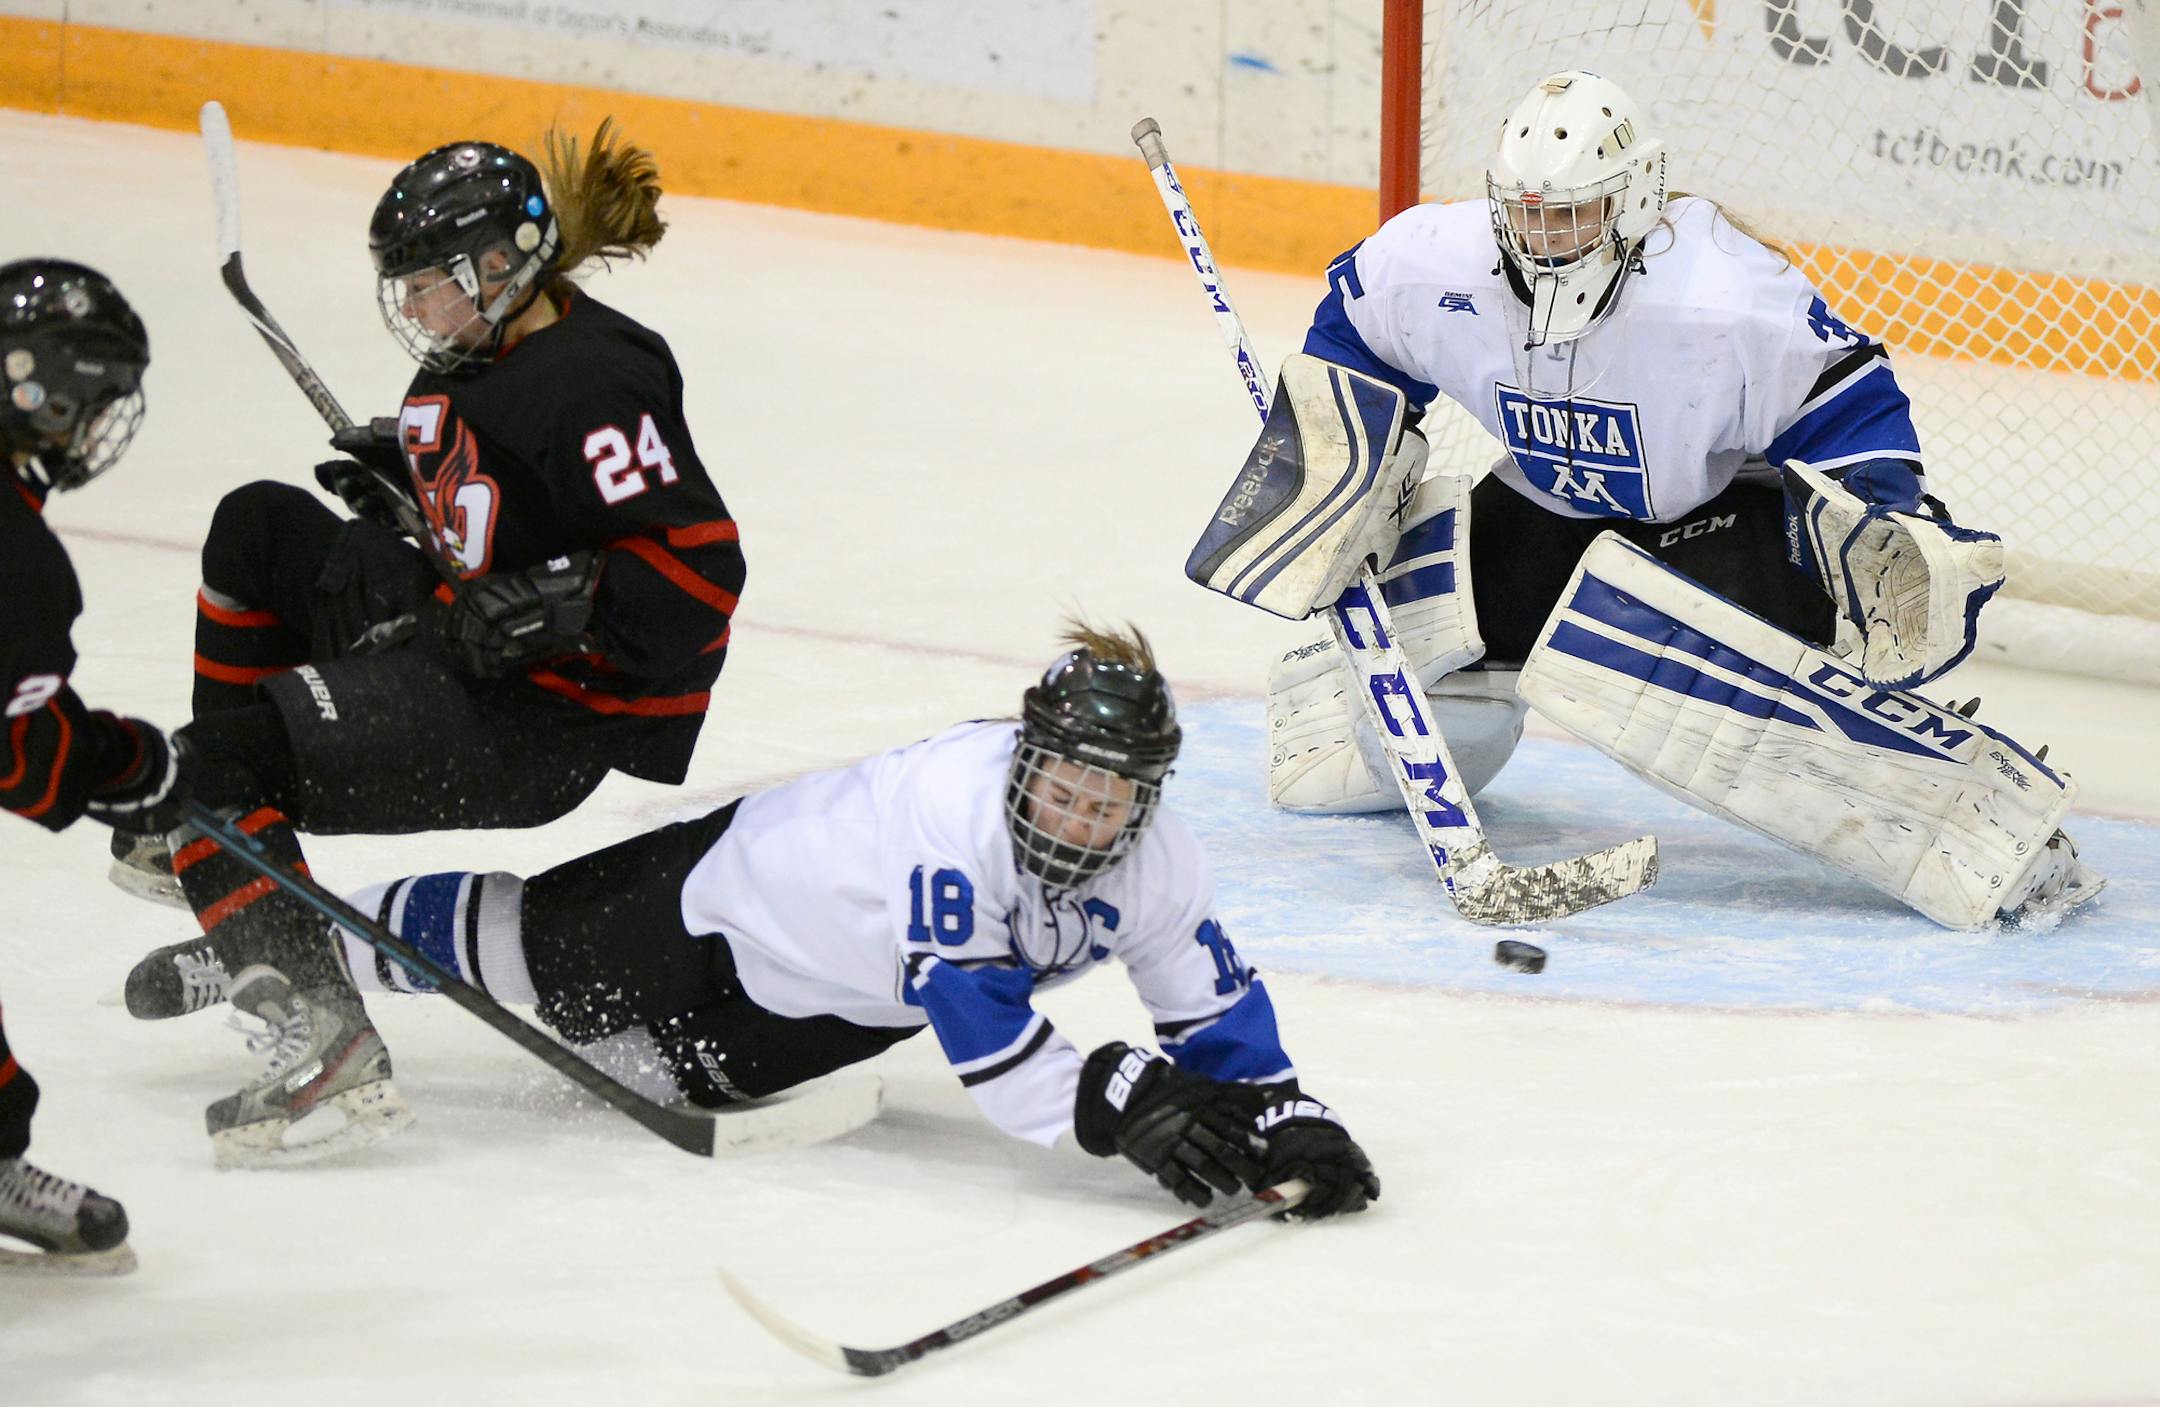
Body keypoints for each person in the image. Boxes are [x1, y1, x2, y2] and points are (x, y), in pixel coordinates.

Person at [1203, 69, 2099, 929]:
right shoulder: (1438, 263)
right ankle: (1329, 702)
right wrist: (1344, 449)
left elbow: (1848, 403)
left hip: (1713, 524)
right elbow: (1355, 329)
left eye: (1571, 215)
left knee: (1634, 650)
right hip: (1549, 510)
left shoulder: (1722, 298)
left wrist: (1877, 516)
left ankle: (1984, 824)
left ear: (1633, 200)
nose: (1543, 238)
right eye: (1526, 214)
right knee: (1375, 732)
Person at [110, 120, 749, 1168]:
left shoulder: (592, 383)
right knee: (258, 525)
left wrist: (572, 596)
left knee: (213, 765)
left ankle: (318, 1019)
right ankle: (247, 881)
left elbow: (700, 574)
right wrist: (411, 489)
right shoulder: (478, 353)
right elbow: (507, 507)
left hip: (537, 718)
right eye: (401, 285)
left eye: (426, 282)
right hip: (456, 638)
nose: (409, 306)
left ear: (501, 266)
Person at [306, 624, 1378, 1217]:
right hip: (724, 897)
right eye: (1064, 787)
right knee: (522, 954)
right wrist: (1106, 1102)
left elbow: (1214, 1019)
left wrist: (1289, 1121)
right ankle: (298, 946)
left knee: (635, 1073)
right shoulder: (951, 809)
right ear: (1026, 758)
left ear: (1148, 798)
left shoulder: (1162, 868)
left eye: (1110, 801)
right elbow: (986, 1030)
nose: (1082, 818)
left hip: (839, 1010)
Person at [1, 258, 163, 1271]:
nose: (94, 425)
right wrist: (123, 761)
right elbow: (18, 756)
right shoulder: (20, 564)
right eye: (90, 399)